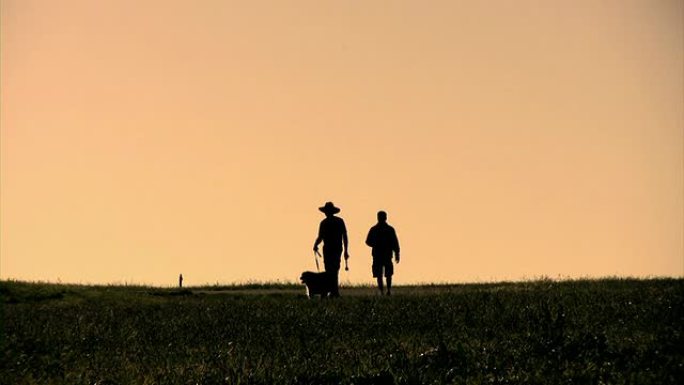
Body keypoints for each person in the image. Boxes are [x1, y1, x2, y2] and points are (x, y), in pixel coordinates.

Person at [313, 202, 349, 297]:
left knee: (329, 270)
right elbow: (344, 236)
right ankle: (333, 291)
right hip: (337, 248)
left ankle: (332, 291)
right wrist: (345, 250)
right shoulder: (339, 221)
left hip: (329, 249)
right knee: (334, 269)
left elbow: (320, 237)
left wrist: (315, 245)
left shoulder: (324, 223)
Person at [365, 211, 400, 295]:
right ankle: (385, 291)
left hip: (383, 255)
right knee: (382, 274)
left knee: (385, 274)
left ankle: (385, 291)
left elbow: (395, 243)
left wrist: (397, 254)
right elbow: (368, 241)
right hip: (381, 254)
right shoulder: (387, 229)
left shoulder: (378, 229)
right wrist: (397, 254)